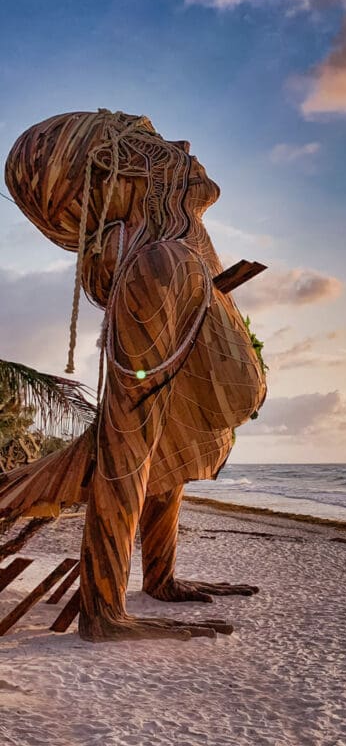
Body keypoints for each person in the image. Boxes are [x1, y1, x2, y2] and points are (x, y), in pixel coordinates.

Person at [1, 110, 266, 641]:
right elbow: (126, 452)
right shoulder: (159, 264)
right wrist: (107, 614)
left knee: (167, 447)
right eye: (149, 140)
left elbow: (165, 453)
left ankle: (158, 578)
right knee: (140, 446)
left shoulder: (172, 257)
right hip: (119, 463)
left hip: (146, 429)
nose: (182, 143)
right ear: (113, 172)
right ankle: (106, 607)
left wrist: (162, 580)